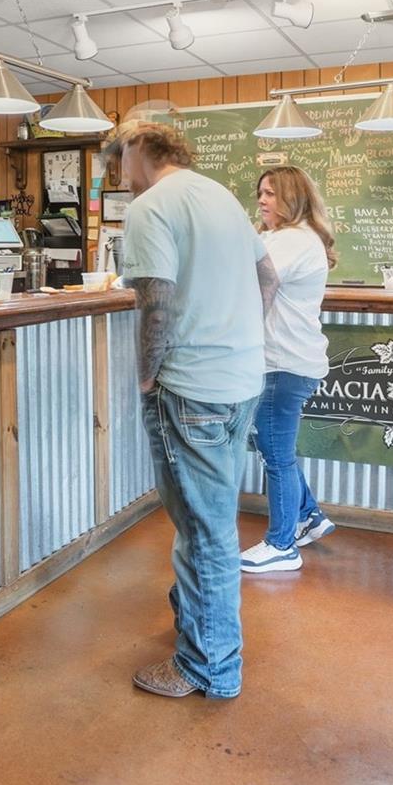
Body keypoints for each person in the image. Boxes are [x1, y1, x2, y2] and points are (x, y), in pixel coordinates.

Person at [111, 120, 276, 700]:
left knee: (207, 532)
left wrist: (147, 375)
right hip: (241, 380)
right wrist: (239, 336)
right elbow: (268, 278)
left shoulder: (151, 206)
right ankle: (198, 625)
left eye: (119, 158)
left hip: (191, 387)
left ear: (139, 149)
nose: (119, 173)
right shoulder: (220, 196)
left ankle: (209, 667)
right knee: (205, 519)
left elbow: (155, 302)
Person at [240, 167, 336, 574]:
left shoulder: (293, 240)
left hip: (283, 363)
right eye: (260, 192)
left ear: (292, 198)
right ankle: (308, 515)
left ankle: (282, 545)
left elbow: (250, 285)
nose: (262, 200)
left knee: (275, 453)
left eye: (271, 193)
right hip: (288, 360)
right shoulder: (282, 237)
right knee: (276, 446)